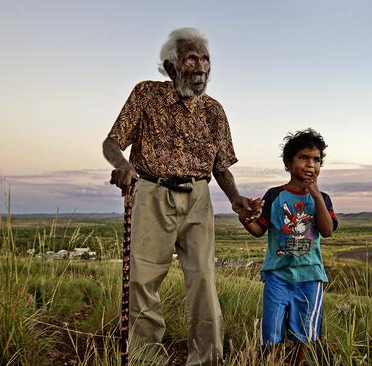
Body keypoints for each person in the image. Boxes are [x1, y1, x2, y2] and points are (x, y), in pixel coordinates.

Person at [103, 27, 259, 366]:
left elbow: (221, 167)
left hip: (198, 197)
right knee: (143, 280)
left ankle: (206, 359)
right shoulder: (145, 94)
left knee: (203, 280)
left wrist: (235, 199)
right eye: (192, 58)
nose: (202, 67)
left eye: (206, 59)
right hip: (152, 191)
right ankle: (147, 358)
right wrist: (124, 166)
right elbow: (112, 142)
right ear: (172, 66)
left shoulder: (214, 111)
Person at [238, 128, 337, 366]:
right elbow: (258, 231)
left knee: (304, 333)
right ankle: (270, 361)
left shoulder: (322, 198)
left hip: (310, 276)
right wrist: (244, 217)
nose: (310, 165)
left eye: (316, 160)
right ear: (288, 162)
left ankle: (299, 362)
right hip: (277, 275)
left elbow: (327, 230)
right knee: (270, 332)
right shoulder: (275, 196)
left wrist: (315, 196)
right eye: (304, 158)